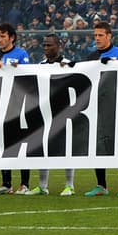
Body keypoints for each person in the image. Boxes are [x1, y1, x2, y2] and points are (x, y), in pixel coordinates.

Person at [86, 21, 118, 197]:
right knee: (98, 145)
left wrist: (111, 64)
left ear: (109, 36)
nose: (97, 38)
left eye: (100, 35)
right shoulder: (91, 56)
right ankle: (101, 185)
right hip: (97, 106)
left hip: (117, 106)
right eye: (95, 35)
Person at [32, 33, 76, 196]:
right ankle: (42, 186)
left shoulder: (69, 64)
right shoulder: (40, 65)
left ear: (59, 46)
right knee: (43, 148)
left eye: (49, 45)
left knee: (66, 149)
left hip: (64, 112)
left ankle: (69, 185)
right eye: (44, 45)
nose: (46, 48)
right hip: (45, 113)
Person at [0, 22, 31, 195]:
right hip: (0, 104)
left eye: (2, 36)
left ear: (12, 37)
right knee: (3, 144)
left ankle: (24, 184)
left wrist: (13, 68)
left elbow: (27, 75)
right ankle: (6, 183)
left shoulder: (21, 54)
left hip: (18, 104)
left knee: (21, 144)